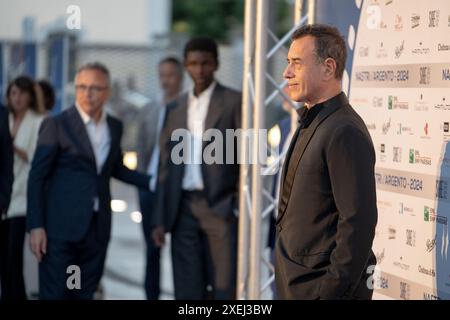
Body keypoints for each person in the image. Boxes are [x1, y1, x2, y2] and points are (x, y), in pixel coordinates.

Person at [27, 62, 152, 299]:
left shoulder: (115, 127)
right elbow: (37, 177)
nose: (87, 93)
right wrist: (36, 226)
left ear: (107, 92)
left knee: (82, 293)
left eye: (95, 88)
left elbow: (114, 168)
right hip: (60, 230)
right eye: (82, 87)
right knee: (56, 293)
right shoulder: (57, 124)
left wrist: (153, 181)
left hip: (96, 230)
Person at [275, 24, 377, 300]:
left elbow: (359, 223)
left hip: (321, 289)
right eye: (288, 63)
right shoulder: (315, 121)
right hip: (295, 283)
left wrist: (329, 292)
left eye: (297, 63)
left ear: (328, 68)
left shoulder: (344, 130)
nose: (286, 73)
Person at [152, 37, 241, 299]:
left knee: (224, 290)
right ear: (185, 66)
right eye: (193, 64)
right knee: (188, 292)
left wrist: (234, 203)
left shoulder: (235, 102)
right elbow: (164, 166)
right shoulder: (174, 108)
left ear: (216, 64)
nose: (199, 70)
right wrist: (160, 217)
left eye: (205, 63)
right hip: (183, 210)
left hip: (220, 208)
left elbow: (246, 157)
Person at [136, 56, 183, 299]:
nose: (166, 80)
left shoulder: (187, 109)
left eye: (171, 75)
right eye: (162, 75)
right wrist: (144, 182)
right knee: (151, 251)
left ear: (180, 76)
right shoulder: (149, 110)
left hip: (177, 190)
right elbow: (141, 148)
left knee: (181, 250)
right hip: (150, 187)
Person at [0, 76, 45, 300]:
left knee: (13, 254)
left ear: (30, 96)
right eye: (13, 93)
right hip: (4, 194)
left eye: (22, 93)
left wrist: (11, 146)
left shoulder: (38, 121)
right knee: (3, 259)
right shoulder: (3, 117)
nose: (17, 98)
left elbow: (38, 158)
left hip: (23, 196)